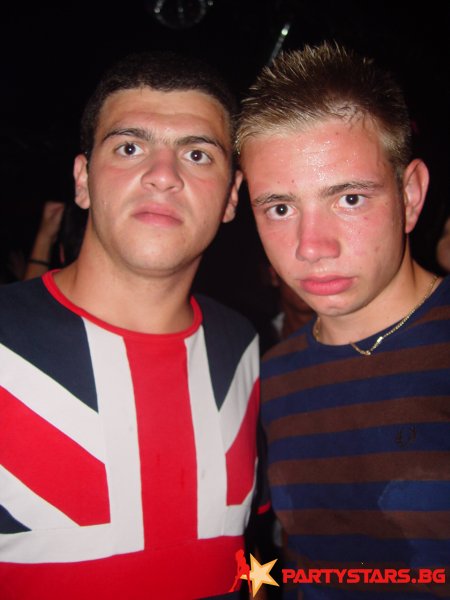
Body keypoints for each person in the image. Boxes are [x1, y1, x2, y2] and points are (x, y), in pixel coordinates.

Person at [0, 51, 266, 600]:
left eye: (197, 154)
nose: (163, 175)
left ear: (232, 197)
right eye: (129, 147)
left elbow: (249, 553)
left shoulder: (246, 349)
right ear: (82, 179)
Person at [237, 42, 450, 599]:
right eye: (280, 208)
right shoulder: (268, 376)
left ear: (410, 195)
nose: (311, 247)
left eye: (349, 198)